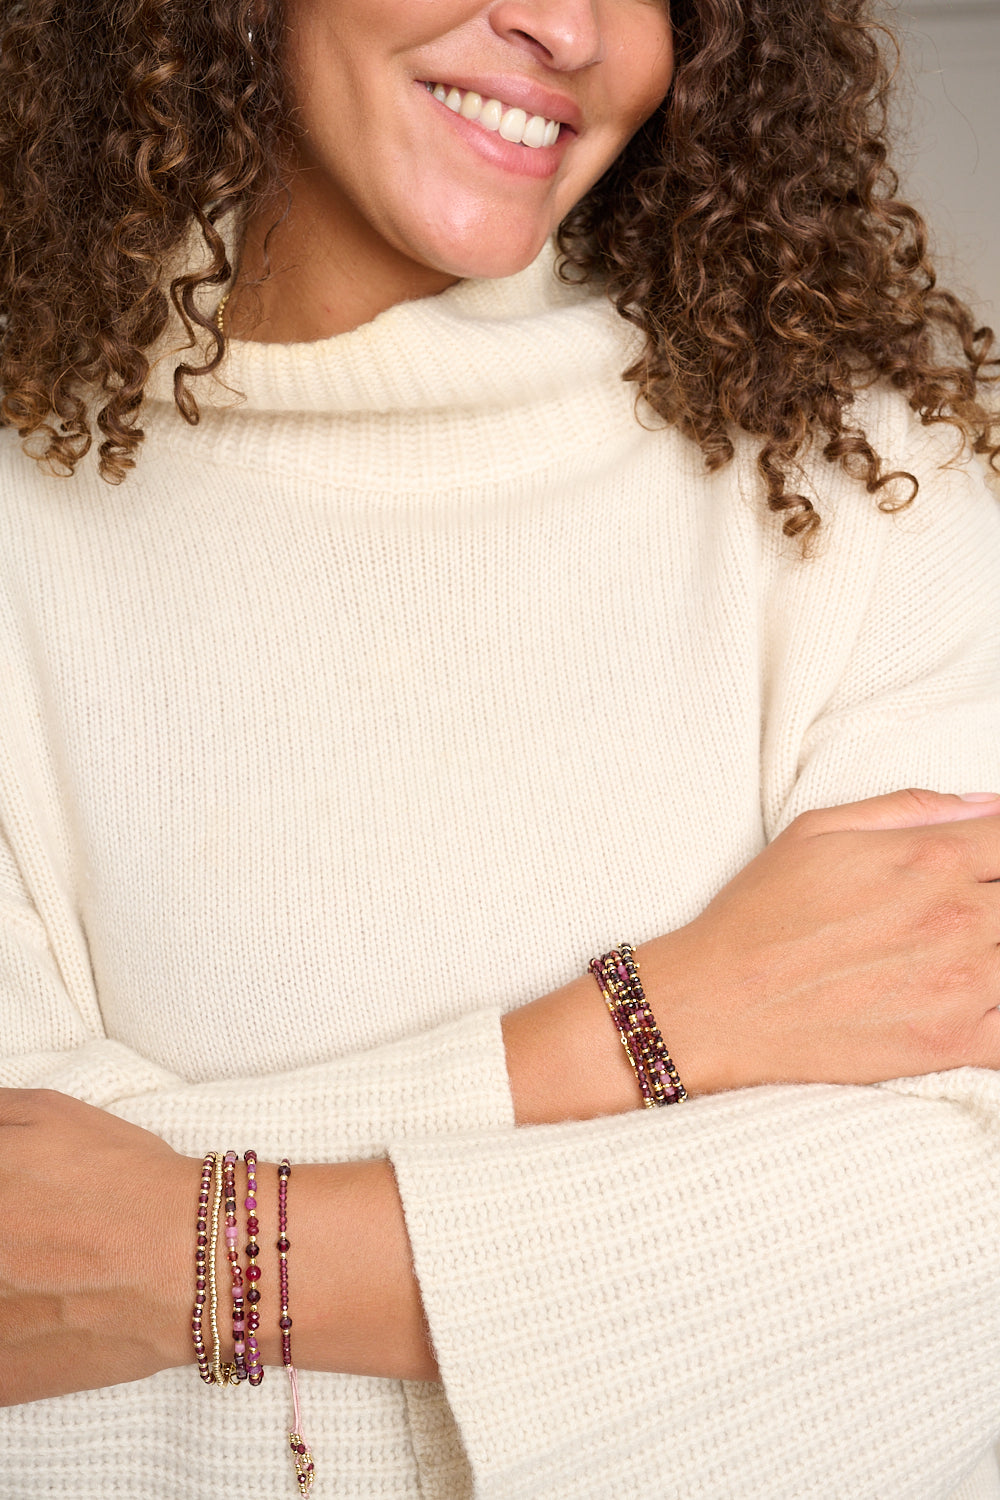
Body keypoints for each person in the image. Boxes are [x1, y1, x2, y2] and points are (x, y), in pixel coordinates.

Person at [0, 0, 999, 1495]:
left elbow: (960, 1249)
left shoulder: (860, 480)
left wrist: (190, 1255)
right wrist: (652, 1030)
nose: (567, 25)